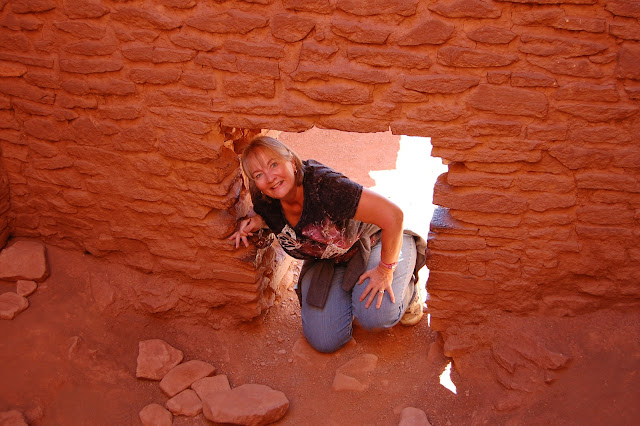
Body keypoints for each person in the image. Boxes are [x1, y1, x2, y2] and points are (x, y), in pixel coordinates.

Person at [229, 135, 426, 353]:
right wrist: (257, 221)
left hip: (371, 242)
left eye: (273, 164)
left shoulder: (326, 187)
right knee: (324, 339)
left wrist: (385, 270)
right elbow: (271, 219)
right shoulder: (266, 200)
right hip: (327, 259)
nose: (269, 178)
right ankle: (351, 296)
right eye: (258, 175)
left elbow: (393, 215)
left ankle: (406, 282)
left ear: (291, 162)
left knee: (376, 314)